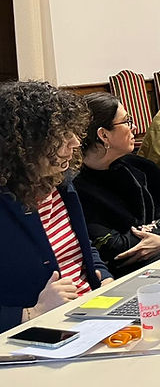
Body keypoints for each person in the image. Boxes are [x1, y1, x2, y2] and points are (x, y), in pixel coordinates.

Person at [0, 81, 111, 332]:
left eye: (73, 131)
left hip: (88, 314)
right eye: (60, 135)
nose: (74, 143)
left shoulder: (60, 183)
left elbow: (81, 248)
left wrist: (105, 279)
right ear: (24, 144)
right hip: (40, 334)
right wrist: (31, 314)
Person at [74, 93, 160, 276]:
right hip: (122, 275)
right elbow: (115, 249)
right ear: (104, 135)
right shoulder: (76, 186)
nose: (135, 127)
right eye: (127, 121)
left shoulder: (142, 169)